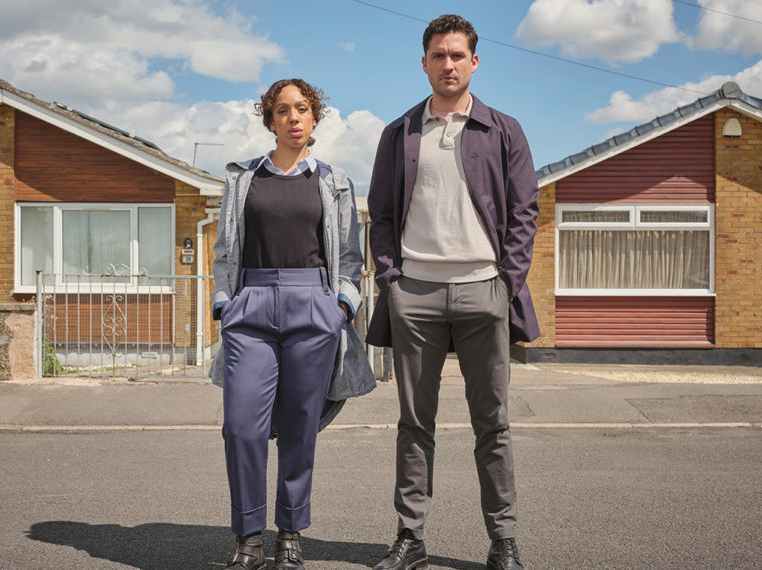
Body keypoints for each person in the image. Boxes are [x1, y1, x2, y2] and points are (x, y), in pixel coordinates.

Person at [366, 14, 540, 570]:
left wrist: (506, 285)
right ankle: (411, 539)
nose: (448, 64)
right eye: (438, 55)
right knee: (415, 424)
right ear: (424, 63)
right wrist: (392, 281)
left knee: (493, 423)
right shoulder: (399, 133)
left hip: (482, 291)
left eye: (457, 55)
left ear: (474, 61)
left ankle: (503, 541)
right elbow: (383, 215)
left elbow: (524, 214)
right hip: (414, 294)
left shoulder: (504, 129)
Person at [210, 78, 374, 569]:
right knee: (241, 427)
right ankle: (248, 539)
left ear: (315, 117)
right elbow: (224, 250)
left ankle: (289, 534)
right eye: (283, 110)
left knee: (302, 427)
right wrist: (225, 305)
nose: (294, 118)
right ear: (270, 120)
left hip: (313, 304)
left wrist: (340, 307)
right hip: (251, 306)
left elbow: (349, 256)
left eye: (302, 109)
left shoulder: (333, 181)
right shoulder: (244, 179)